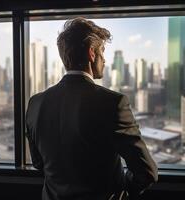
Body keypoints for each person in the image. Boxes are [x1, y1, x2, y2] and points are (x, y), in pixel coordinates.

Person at [26, 17, 158, 200]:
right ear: (91, 53)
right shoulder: (114, 103)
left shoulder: (35, 103)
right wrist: (123, 189)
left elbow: (39, 164)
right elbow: (147, 172)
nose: (105, 59)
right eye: (102, 51)